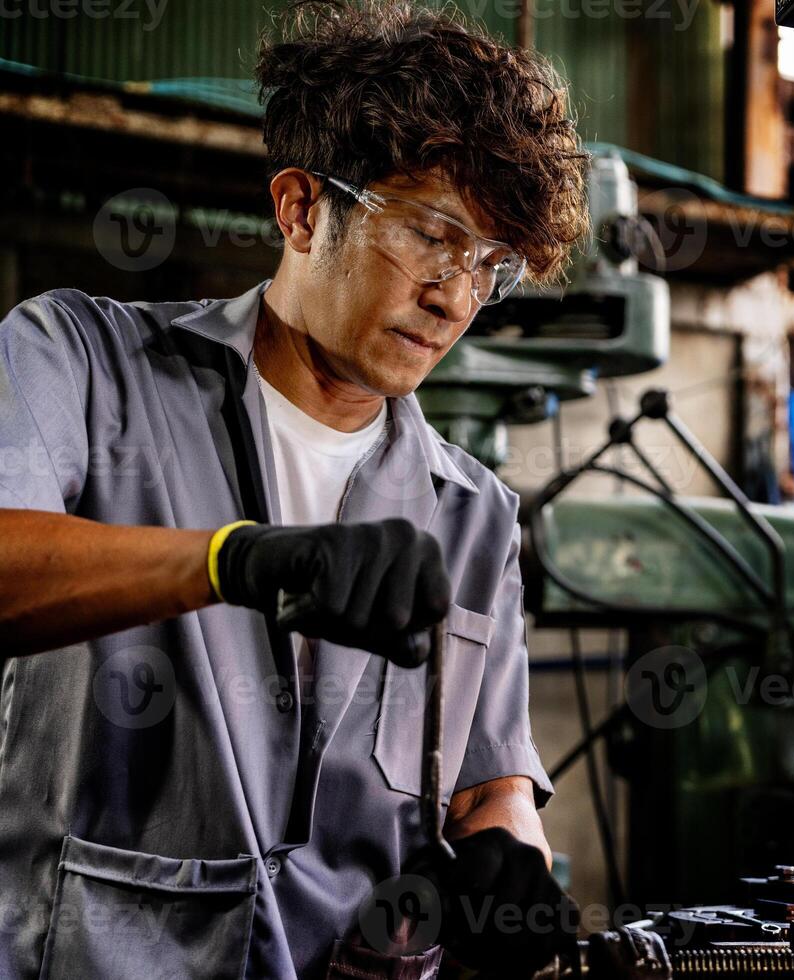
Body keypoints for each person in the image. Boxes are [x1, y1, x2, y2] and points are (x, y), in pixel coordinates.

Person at [0, 2, 589, 976]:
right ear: (302, 207)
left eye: (489, 264)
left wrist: (506, 859)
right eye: (430, 237)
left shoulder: (472, 514)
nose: (455, 295)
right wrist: (234, 559)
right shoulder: (78, 359)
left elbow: (492, 780)